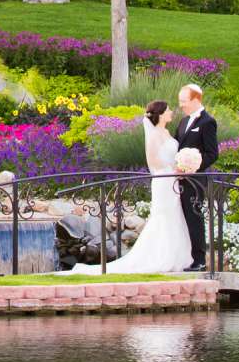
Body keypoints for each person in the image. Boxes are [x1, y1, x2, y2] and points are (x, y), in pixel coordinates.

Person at [70, 99, 191, 275]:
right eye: (168, 109)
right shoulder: (155, 134)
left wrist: (182, 165)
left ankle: (177, 255)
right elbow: (153, 160)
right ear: (161, 114)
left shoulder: (166, 132)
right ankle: (161, 257)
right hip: (163, 180)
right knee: (163, 216)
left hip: (172, 180)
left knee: (174, 215)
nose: (172, 111)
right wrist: (173, 169)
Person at [174, 83, 219, 271]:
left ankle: (199, 261)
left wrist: (192, 166)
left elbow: (212, 153)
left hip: (195, 180)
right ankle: (184, 257)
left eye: (184, 102)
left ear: (196, 100)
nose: (181, 105)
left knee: (195, 217)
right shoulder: (183, 122)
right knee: (182, 218)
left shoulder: (207, 122)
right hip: (179, 180)